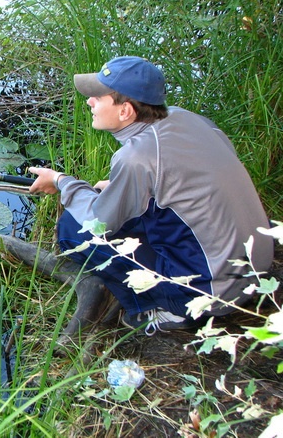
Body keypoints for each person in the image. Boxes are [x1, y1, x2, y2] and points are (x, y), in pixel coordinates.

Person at [28, 56, 274, 336]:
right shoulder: (187, 118)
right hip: (254, 268)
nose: (89, 102)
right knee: (120, 209)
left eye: (98, 97)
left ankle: (162, 309)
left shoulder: (136, 157)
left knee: (73, 229)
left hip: (212, 293)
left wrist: (61, 182)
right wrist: (123, 186)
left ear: (125, 111)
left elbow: (98, 224)